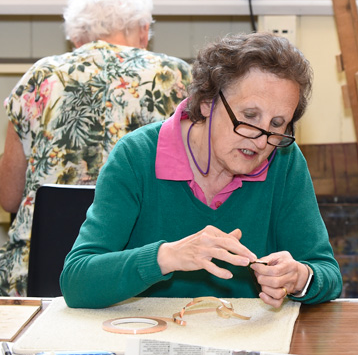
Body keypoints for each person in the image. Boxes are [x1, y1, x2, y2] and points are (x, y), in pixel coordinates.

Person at [60, 32, 342, 309]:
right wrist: (167, 256)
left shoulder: (284, 159)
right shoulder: (136, 156)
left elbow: (327, 273)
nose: (261, 138)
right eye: (249, 116)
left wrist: (301, 277)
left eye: (278, 123)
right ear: (208, 102)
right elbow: (77, 282)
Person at [0, 0, 192, 297]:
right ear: (143, 32)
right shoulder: (177, 76)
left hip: (39, 272)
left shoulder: (40, 77)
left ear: (76, 38)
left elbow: (8, 197)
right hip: (144, 269)